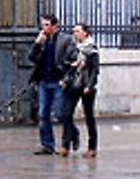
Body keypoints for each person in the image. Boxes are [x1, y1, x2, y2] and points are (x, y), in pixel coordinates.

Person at [28, 13, 77, 155]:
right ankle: (47, 144)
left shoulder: (65, 40)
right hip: (44, 81)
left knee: (61, 113)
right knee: (43, 114)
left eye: (47, 25)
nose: (44, 28)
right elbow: (32, 58)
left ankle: (73, 133)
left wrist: (65, 78)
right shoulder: (42, 40)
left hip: (58, 81)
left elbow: (73, 60)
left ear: (55, 26)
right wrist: (37, 44)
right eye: (43, 24)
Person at [60, 22, 99, 158]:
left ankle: (92, 147)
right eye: (74, 31)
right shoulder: (73, 48)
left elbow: (94, 69)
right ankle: (66, 144)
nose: (75, 34)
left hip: (86, 86)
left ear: (85, 33)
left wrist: (90, 85)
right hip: (73, 84)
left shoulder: (92, 49)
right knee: (66, 114)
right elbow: (66, 64)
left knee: (89, 117)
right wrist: (66, 77)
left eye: (77, 31)